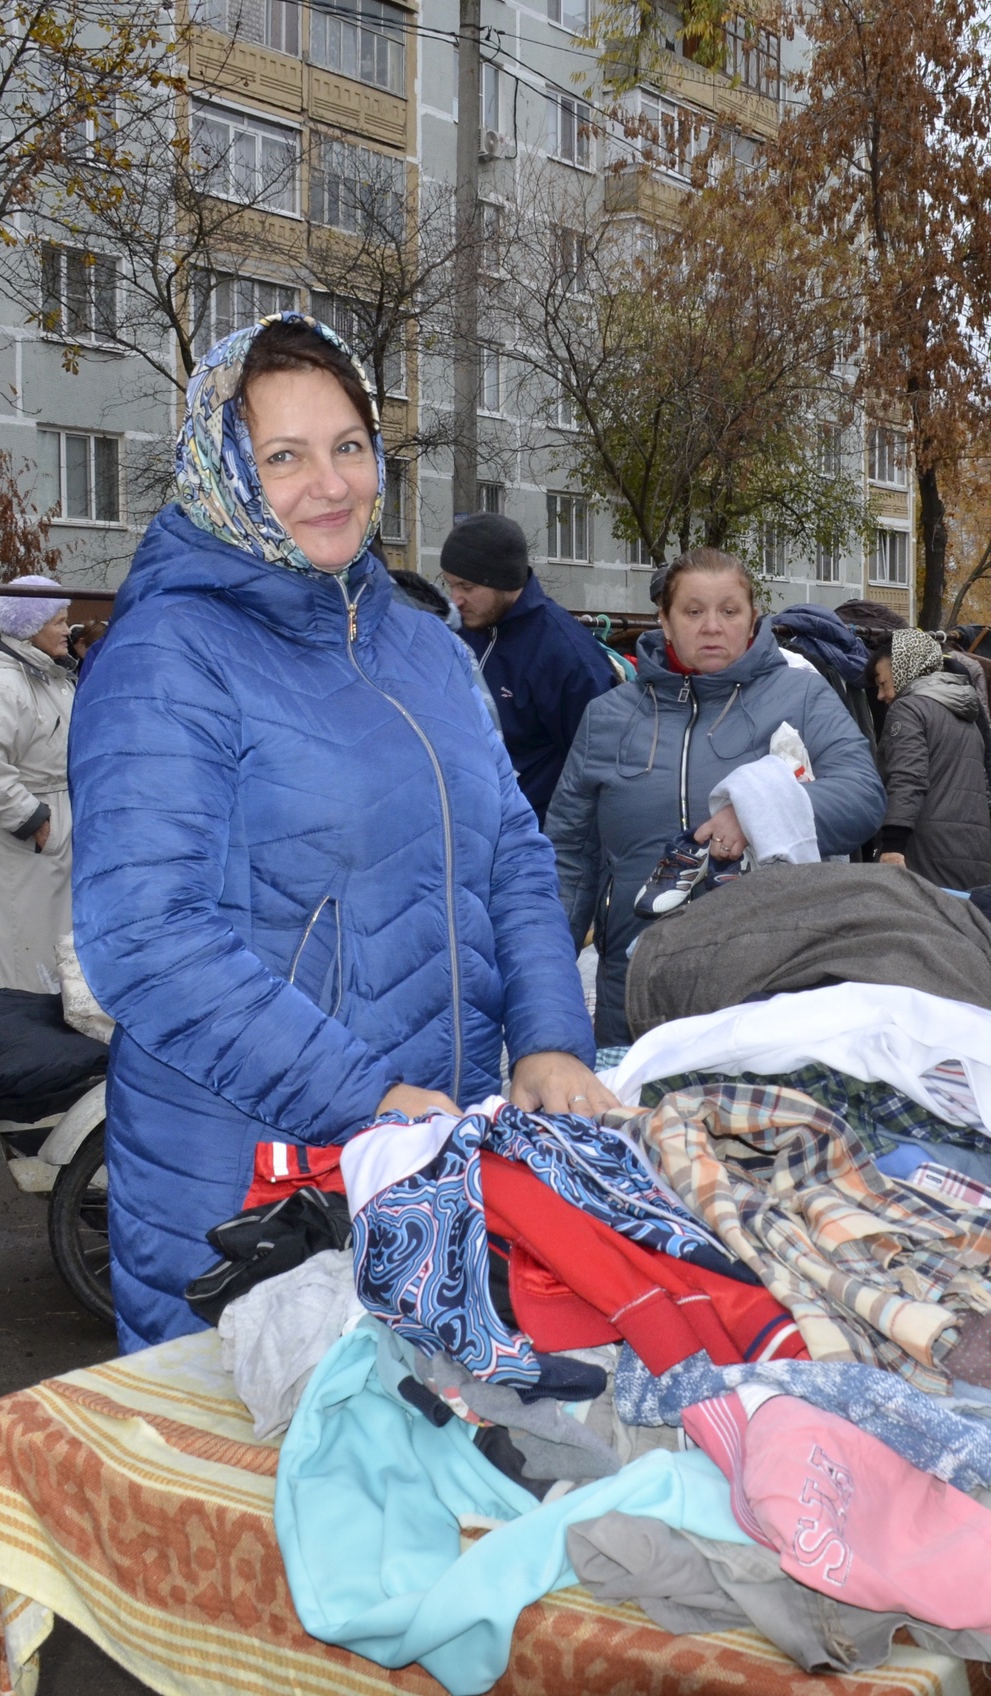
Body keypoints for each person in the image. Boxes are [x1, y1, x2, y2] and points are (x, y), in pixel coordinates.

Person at [67, 314, 605, 1350]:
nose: (331, 483)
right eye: (284, 455)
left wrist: (546, 1037)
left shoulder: (428, 651)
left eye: (349, 446)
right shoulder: (168, 656)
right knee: (259, 1496)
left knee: (418, 1475)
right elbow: (146, 937)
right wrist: (365, 1097)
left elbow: (513, 857)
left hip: (429, 1154)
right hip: (249, 1184)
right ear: (224, 469)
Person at [546, 548, 885, 1045]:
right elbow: (569, 861)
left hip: (767, 986)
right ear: (664, 619)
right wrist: (548, 984)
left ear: (752, 622)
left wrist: (758, 811)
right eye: (693, 611)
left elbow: (862, 796)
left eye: (729, 611)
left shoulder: (803, 697)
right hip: (635, 987)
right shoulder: (608, 716)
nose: (711, 626)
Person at [442, 512, 619, 824]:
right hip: (465, 828)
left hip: (535, 840)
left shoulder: (568, 658)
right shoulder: (459, 633)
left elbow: (603, 773)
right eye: (450, 584)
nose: (455, 599)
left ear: (504, 580)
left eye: (467, 586)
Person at [0, 578, 79, 996]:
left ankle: (43, 1013)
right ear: (30, 626)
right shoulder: (2, 685)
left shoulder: (48, 676)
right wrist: (31, 819)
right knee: (17, 927)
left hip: (50, 813)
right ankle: (10, 1018)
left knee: (47, 927)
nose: (69, 630)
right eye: (59, 621)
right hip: (24, 823)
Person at [873, 627, 991, 890]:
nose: (881, 696)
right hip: (975, 850)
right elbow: (986, 785)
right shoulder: (964, 711)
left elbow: (907, 779)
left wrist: (892, 845)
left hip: (926, 852)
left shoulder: (908, 709)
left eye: (882, 683)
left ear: (905, 668)